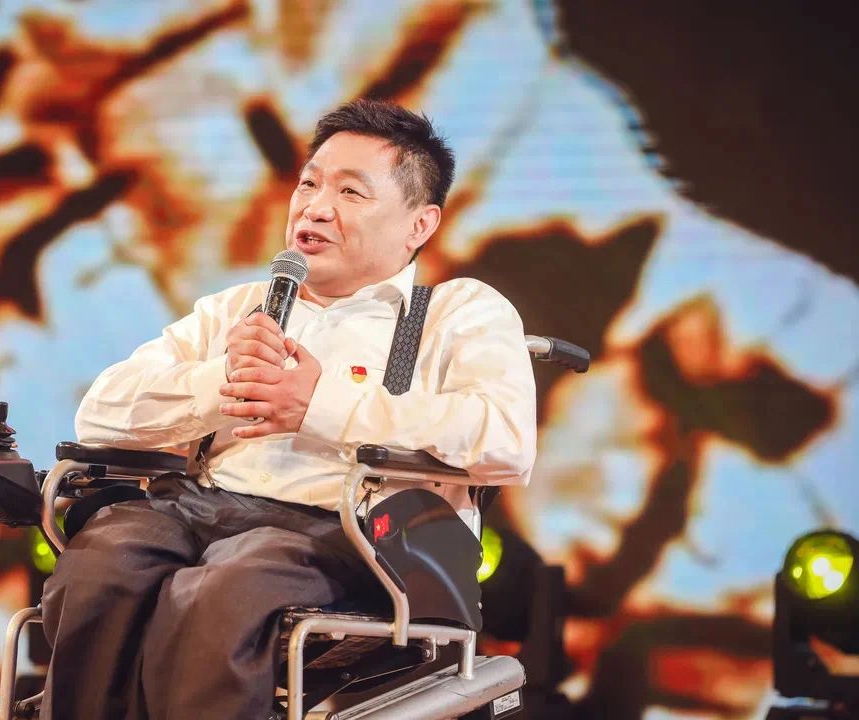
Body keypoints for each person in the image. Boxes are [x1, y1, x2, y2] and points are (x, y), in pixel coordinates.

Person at [41, 99, 538, 720]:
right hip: (202, 505)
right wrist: (224, 380)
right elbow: (99, 413)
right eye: (309, 184)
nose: (316, 207)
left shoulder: (457, 312)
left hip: (352, 534)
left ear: (419, 224)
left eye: (351, 192)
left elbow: (506, 441)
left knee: (226, 585)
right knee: (103, 561)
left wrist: (318, 404)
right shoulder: (237, 309)